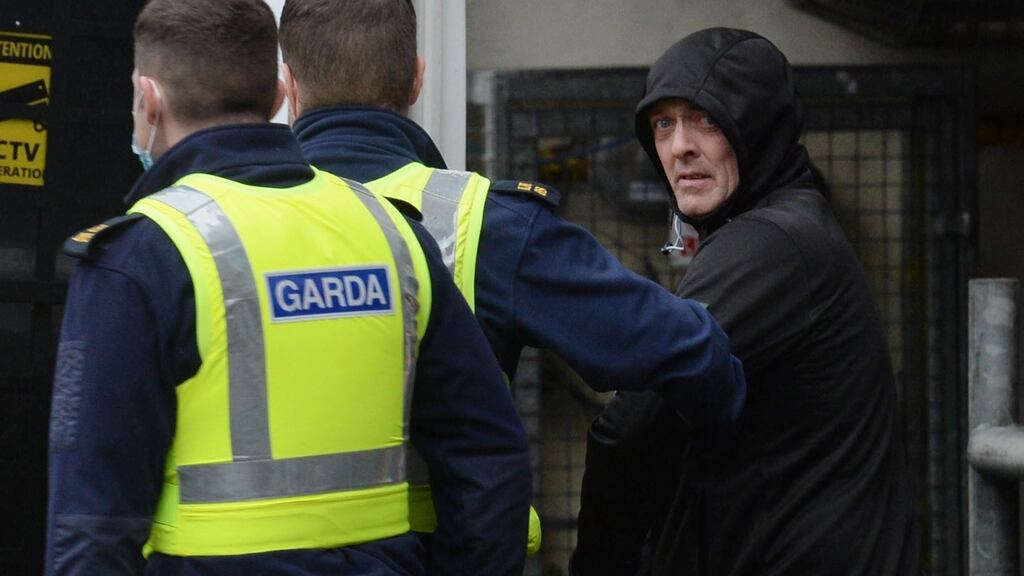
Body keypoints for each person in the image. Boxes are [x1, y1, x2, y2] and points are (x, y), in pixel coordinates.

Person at [43, 0, 531, 574]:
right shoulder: (392, 233)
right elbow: (490, 458)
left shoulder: (139, 260)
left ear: (148, 100)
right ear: (279, 97)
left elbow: (92, 528)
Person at [277, 0, 747, 554]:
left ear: (286, 87)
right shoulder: (486, 225)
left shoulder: (209, 229)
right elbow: (690, 351)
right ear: (417, 80)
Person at [572, 28, 919, 575]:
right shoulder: (775, 230)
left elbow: (634, 426)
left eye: (706, 119)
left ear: (757, 127)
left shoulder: (770, 242)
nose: (679, 145)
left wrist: (597, 567)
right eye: (664, 124)